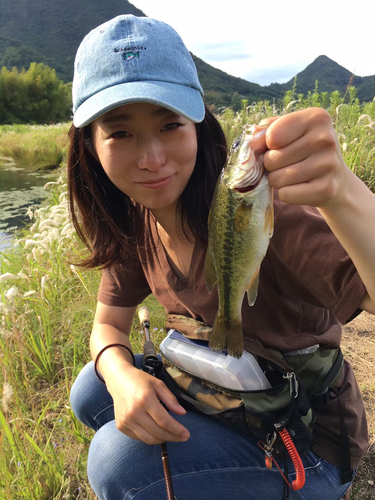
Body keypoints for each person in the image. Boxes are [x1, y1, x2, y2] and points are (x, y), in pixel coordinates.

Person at [68, 14, 375, 500]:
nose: (151, 158)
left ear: (199, 127)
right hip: (227, 403)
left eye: (170, 124)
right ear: (89, 146)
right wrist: (122, 376)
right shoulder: (137, 219)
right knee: (92, 387)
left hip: (309, 445)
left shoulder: (265, 214)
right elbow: (106, 325)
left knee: (116, 461)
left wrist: (344, 194)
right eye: (120, 133)